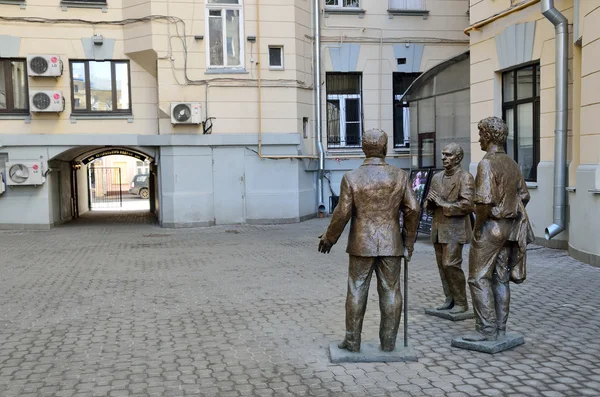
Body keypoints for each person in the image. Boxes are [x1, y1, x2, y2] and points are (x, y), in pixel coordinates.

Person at [318, 129, 420, 352]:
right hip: (391, 243)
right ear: (385, 148)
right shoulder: (400, 176)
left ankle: (353, 342)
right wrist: (408, 242)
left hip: (361, 243)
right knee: (391, 291)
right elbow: (413, 209)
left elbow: (342, 212)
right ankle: (389, 343)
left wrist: (329, 238)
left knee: (356, 289)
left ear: (364, 149)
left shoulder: (351, 177)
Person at [464, 117, 534, 342]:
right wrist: (509, 208)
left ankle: (485, 330)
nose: (479, 139)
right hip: (509, 229)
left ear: (488, 136)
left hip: (490, 227)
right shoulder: (512, 163)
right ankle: (501, 330)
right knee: (500, 278)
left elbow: (484, 201)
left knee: (478, 278)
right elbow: (524, 195)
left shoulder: (487, 163)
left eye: (480, 134)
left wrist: (477, 229)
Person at [424, 143, 474, 314]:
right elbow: (429, 205)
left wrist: (442, 203)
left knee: (451, 264)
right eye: (443, 154)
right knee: (442, 266)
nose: (443, 158)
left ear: (458, 158)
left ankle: (461, 301)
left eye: (448, 155)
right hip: (438, 228)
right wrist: (429, 204)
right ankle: (449, 298)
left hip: (455, 228)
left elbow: (467, 205)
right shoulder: (437, 178)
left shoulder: (465, 177)